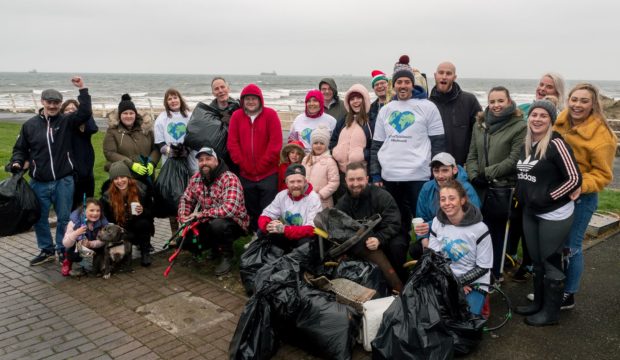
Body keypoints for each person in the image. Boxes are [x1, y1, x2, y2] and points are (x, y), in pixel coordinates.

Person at [513, 100, 582, 326]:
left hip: (554, 213)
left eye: (543, 115)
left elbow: (574, 178)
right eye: (534, 114)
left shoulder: (556, 143)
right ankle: (538, 303)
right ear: (528, 117)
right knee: (536, 260)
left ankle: (551, 313)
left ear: (551, 120)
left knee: (550, 260)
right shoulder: (527, 143)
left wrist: (547, 197)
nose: (537, 119)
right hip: (530, 211)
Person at [10, 76, 92, 266]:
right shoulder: (29, 125)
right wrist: (17, 162)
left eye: (56, 102)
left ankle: (63, 249)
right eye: (50, 102)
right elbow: (20, 149)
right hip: (39, 182)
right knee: (39, 218)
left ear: (60, 104)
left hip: (64, 180)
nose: (53, 106)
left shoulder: (67, 122)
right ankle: (46, 250)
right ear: (42, 102)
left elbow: (86, 112)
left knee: (64, 218)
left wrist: (82, 89)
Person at [370, 55, 445, 249]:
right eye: (399, 82)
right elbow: (377, 145)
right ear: (393, 86)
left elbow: (438, 144)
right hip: (389, 176)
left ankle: (426, 256)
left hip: (419, 176)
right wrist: (376, 173)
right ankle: (397, 259)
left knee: (422, 221)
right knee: (395, 222)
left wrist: (435, 172)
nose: (403, 86)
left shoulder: (428, 107)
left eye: (406, 82)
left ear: (412, 84)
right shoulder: (386, 110)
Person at [553, 83, 617, 310]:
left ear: (593, 105)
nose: (577, 105)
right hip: (556, 194)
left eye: (584, 101)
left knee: (572, 246)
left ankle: (568, 294)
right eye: (574, 99)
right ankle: (553, 289)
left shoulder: (603, 136)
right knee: (556, 245)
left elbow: (603, 175)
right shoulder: (561, 121)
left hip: (581, 197)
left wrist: (580, 185)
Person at [509, 73, 566, 281]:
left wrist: (550, 195)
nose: (542, 88)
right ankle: (523, 261)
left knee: (550, 250)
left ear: (557, 92)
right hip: (526, 180)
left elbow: (571, 174)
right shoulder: (527, 110)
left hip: (548, 192)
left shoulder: (559, 120)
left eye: (548, 87)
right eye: (541, 84)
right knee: (522, 227)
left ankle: (555, 288)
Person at [466, 86, 527, 281]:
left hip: (503, 188)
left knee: (497, 232)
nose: (496, 105)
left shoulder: (520, 126)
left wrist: (487, 173)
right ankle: (479, 271)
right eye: (492, 102)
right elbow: (472, 153)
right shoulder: (479, 124)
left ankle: (495, 273)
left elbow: (514, 159)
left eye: (500, 101)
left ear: (509, 101)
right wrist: (474, 175)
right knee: (478, 230)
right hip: (479, 186)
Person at [421, 180, 493, 316]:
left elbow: (483, 267)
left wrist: (459, 283)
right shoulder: (437, 222)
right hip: (445, 277)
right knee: (429, 313)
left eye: (452, 198)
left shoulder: (480, 229)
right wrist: (450, 282)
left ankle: (483, 304)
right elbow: (433, 257)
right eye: (443, 199)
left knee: (465, 319)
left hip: (474, 282)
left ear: (463, 200)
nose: (447, 203)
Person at [178, 147, 250, 275]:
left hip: (234, 222)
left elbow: (229, 209)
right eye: (201, 160)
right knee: (185, 241)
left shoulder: (229, 178)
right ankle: (214, 248)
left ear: (216, 161)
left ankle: (227, 255)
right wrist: (183, 216)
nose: (204, 163)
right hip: (208, 219)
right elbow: (186, 199)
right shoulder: (195, 179)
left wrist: (201, 214)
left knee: (218, 225)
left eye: (208, 159)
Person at [336, 162, 406, 284]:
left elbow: (393, 222)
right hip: (361, 242)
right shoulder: (342, 203)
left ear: (367, 179)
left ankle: (401, 280)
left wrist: (379, 238)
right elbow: (339, 229)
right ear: (346, 180)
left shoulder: (382, 196)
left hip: (387, 235)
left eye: (360, 179)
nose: (356, 184)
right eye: (351, 179)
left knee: (397, 246)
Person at [227, 84, 283, 234]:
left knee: (269, 208)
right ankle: (254, 236)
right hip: (246, 173)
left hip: (268, 172)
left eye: (254, 98)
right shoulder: (237, 116)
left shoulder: (270, 115)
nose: (251, 101)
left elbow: (276, 143)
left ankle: (268, 236)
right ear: (243, 100)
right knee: (251, 208)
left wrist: (262, 165)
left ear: (260, 100)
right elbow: (232, 143)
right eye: (247, 99)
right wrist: (243, 164)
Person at [410, 152, 481, 259]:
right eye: (436, 171)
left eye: (445, 170)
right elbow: (421, 218)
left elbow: (472, 217)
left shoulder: (466, 188)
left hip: (460, 236)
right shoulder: (426, 188)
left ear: (454, 170)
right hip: (434, 236)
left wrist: (431, 225)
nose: (440, 176)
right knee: (415, 250)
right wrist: (424, 240)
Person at [257, 164, 322, 253]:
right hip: (286, 233)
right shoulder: (282, 195)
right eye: (292, 182)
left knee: (307, 242)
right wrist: (268, 225)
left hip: (303, 238)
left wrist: (284, 229)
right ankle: (280, 257)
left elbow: (312, 229)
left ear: (305, 182)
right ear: (286, 183)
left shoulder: (313, 198)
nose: (296, 185)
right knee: (262, 231)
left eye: (299, 181)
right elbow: (265, 215)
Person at [100, 161, 154, 267]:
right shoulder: (107, 197)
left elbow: (152, 212)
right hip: (121, 229)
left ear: (128, 177)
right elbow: (105, 218)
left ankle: (145, 253)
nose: (120, 181)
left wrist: (143, 211)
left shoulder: (142, 189)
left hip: (138, 225)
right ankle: (119, 253)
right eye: (116, 178)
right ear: (112, 181)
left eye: (122, 177)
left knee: (143, 223)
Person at [429, 61, 481, 165]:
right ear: (435, 75)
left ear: (454, 77)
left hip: (462, 166)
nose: (444, 77)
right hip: (435, 167)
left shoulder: (469, 100)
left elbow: (480, 133)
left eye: (448, 73)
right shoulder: (427, 104)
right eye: (441, 73)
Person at [154, 88, 191, 234]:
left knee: (189, 199)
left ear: (180, 99)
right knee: (173, 200)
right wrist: (171, 151)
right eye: (170, 99)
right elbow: (159, 143)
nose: (173, 101)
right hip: (170, 166)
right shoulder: (162, 119)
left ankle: (189, 232)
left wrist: (186, 149)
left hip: (189, 164)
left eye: (175, 97)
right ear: (166, 102)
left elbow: (195, 136)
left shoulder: (189, 116)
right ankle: (175, 234)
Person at [184, 77, 240, 173]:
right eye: (216, 89)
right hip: (216, 162)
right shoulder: (207, 113)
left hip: (237, 158)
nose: (220, 91)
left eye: (223, 87)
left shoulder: (239, 107)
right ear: (213, 93)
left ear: (228, 88)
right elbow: (196, 135)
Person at [103, 94, 160, 185]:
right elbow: (109, 153)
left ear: (135, 114)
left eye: (131, 113)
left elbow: (156, 148)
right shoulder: (112, 131)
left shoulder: (146, 129)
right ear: (120, 115)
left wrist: (152, 162)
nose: (128, 116)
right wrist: (131, 164)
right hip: (124, 177)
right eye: (125, 113)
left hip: (146, 176)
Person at [60, 99, 98, 210]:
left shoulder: (85, 126)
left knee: (87, 204)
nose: (71, 111)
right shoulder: (62, 127)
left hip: (86, 172)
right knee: (71, 205)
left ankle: (86, 225)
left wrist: (85, 114)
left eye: (74, 109)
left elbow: (93, 128)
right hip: (69, 173)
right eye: (67, 109)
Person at [330, 84, 375, 174]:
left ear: (365, 99)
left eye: (358, 98)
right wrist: (336, 151)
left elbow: (376, 147)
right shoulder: (344, 120)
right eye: (352, 99)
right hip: (341, 173)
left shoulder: (371, 121)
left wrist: (362, 154)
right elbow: (333, 140)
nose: (355, 101)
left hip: (362, 173)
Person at [61, 198, 109, 276]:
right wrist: (76, 233)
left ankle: (97, 264)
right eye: (92, 210)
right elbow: (66, 243)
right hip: (77, 245)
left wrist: (90, 244)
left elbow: (103, 240)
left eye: (98, 210)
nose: (95, 213)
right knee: (72, 253)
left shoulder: (102, 222)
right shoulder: (74, 222)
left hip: (92, 243)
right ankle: (68, 261)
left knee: (104, 248)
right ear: (84, 211)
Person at [302, 127, 339, 209]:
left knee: (319, 221)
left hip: (322, 202)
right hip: (305, 199)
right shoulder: (306, 159)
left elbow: (334, 182)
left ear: (326, 145)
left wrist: (320, 195)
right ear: (312, 144)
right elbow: (301, 177)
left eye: (322, 143)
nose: (318, 145)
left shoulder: (330, 161)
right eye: (315, 143)